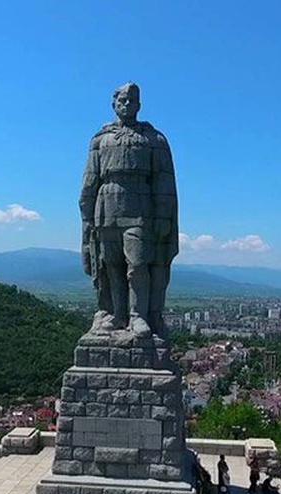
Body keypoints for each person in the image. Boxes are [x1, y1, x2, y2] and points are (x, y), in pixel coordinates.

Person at [79, 82, 179, 337]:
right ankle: (116, 313)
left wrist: (163, 214)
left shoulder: (153, 139)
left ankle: (138, 315)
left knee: (137, 264)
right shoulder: (100, 139)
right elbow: (90, 178)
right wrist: (87, 213)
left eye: (132, 101)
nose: (127, 105)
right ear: (114, 104)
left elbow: (164, 180)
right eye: (122, 100)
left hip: (140, 207)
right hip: (106, 207)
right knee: (111, 264)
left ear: (139, 105)